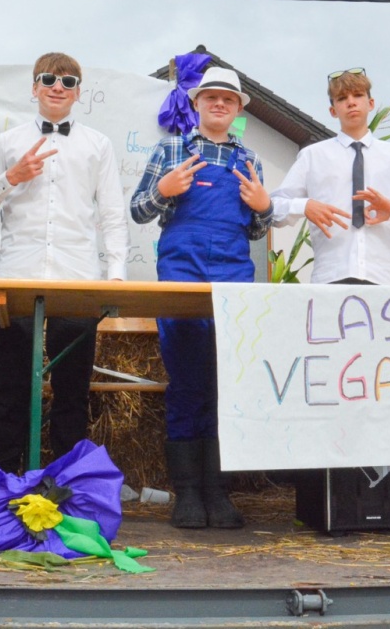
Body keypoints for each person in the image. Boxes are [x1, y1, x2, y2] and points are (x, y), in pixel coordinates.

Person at [0, 52, 129, 473]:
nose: (58, 86)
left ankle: (66, 491)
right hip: (17, 279)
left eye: (68, 81)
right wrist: (11, 178)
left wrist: (115, 275)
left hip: (77, 281)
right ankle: (1, 490)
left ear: (78, 93)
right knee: (11, 388)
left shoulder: (98, 145)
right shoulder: (8, 143)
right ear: (34, 87)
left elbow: (111, 213)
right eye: (49, 78)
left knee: (73, 392)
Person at [130, 67, 272, 530]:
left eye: (227, 100)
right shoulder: (173, 148)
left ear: (237, 109)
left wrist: (263, 208)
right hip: (182, 270)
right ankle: (188, 494)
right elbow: (138, 209)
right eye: (210, 97)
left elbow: (256, 229)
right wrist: (163, 190)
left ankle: (218, 492)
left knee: (227, 384)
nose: (218, 105)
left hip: (234, 275)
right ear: (196, 104)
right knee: (187, 379)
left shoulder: (250, 159)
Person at [270, 67, 390, 285]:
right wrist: (305, 206)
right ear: (332, 110)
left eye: (358, 95)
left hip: (385, 280)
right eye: (341, 98)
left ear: (371, 103)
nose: (351, 102)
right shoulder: (312, 156)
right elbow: (274, 210)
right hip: (330, 278)